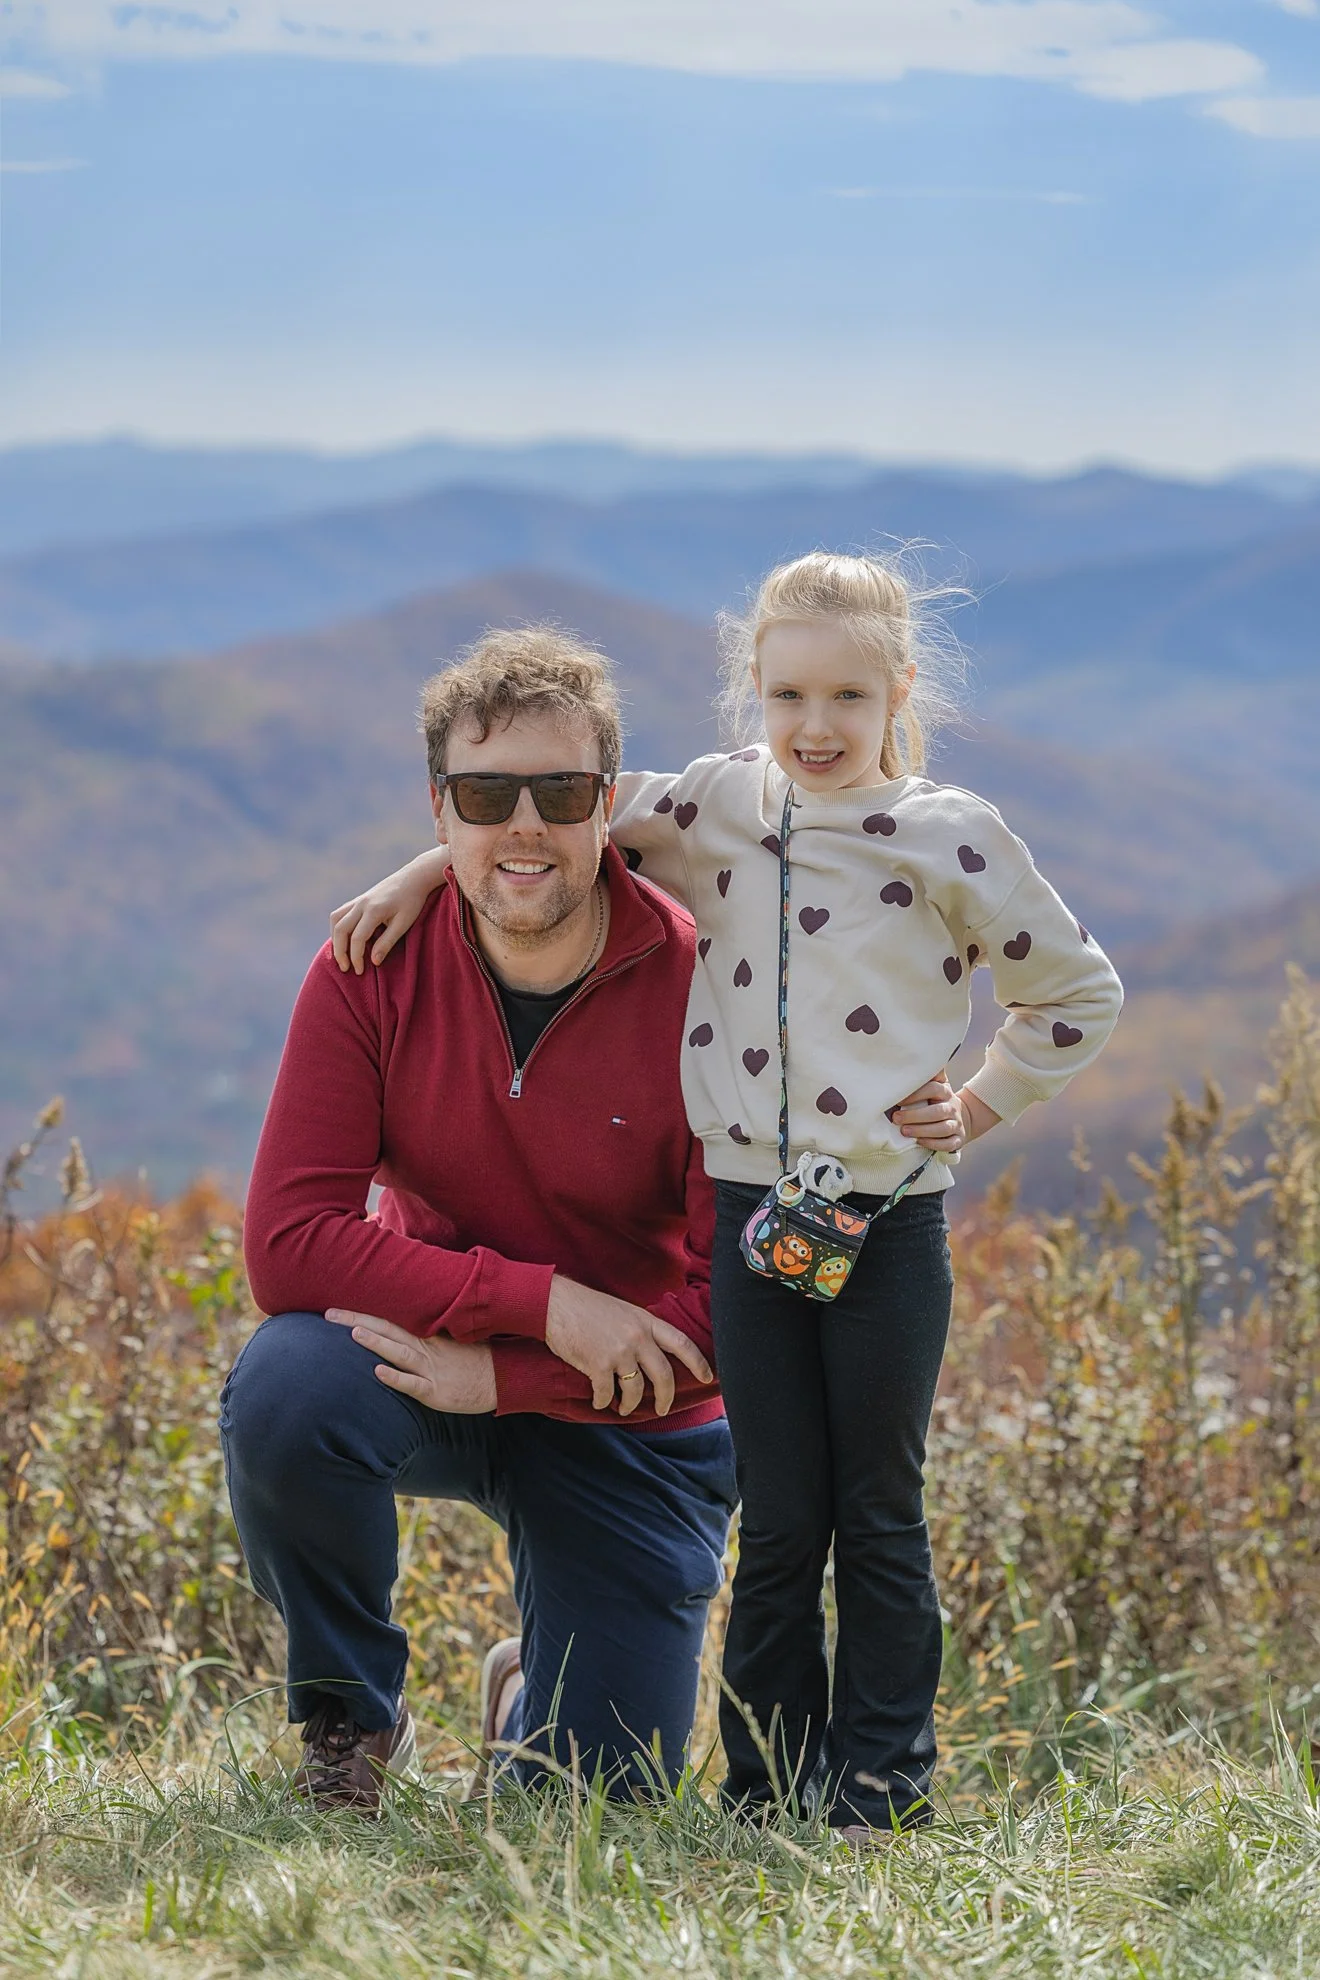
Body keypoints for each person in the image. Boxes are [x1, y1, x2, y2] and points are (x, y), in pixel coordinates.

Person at [330, 553, 1124, 1837]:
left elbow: (1080, 996)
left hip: (885, 1220)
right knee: (778, 1517)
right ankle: (764, 1788)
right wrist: (422, 875)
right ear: (751, 692)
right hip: (751, 1212)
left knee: (875, 1513)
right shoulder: (712, 808)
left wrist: (976, 1106)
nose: (816, 727)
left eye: (849, 698)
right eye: (788, 694)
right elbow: (545, 827)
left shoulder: (953, 835)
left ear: (899, 694)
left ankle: (876, 1789)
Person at [225, 628, 740, 1815]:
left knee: (588, 1812)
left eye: (559, 793)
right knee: (290, 1385)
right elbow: (287, 1244)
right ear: (438, 808)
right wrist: (541, 1308)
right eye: (483, 794)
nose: (524, 826)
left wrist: (510, 1376)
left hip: (634, 1413)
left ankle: (529, 1695)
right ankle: (351, 1719)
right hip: (431, 1362)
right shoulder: (371, 964)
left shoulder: (710, 988)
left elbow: (728, 1314)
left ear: (609, 803)